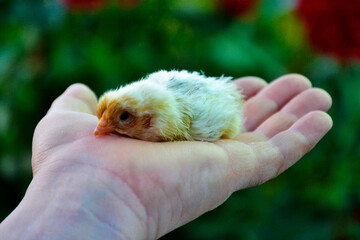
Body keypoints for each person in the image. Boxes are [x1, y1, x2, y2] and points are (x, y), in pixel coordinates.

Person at [0, 74, 332, 240]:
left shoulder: (185, 119)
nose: (102, 126)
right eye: (104, 114)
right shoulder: (151, 110)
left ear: (150, 120)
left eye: (122, 119)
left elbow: (224, 113)